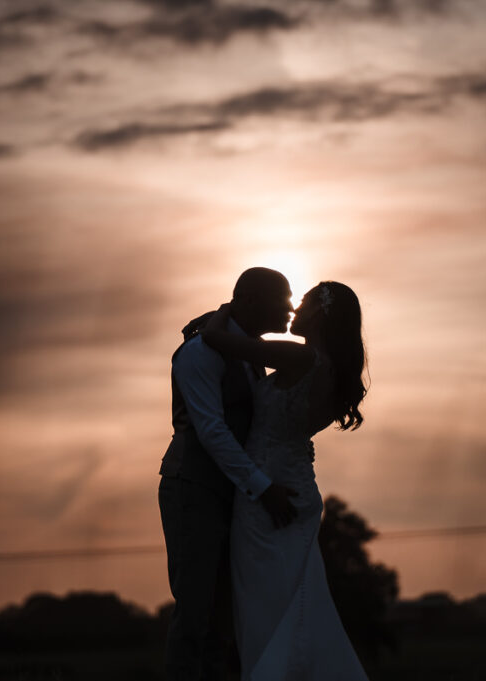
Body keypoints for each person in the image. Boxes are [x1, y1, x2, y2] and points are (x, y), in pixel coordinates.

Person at [199, 280, 370, 681]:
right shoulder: (331, 370)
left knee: (263, 609)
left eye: (304, 302)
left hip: (267, 497)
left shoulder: (300, 357)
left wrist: (225, 309)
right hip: (294, 488)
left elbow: (216, 339)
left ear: (321, 313)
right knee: (290, 604)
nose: (294, 310)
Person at [158, 267, 301, 681]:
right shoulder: (200, 352)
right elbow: (211, 431)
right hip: (193, 488)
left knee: (223, 619)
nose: (291, 308)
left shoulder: (249, 352)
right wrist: (263, 488)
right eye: (283, 298)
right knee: (194, 612)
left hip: (234, 494)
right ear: (252, 300)